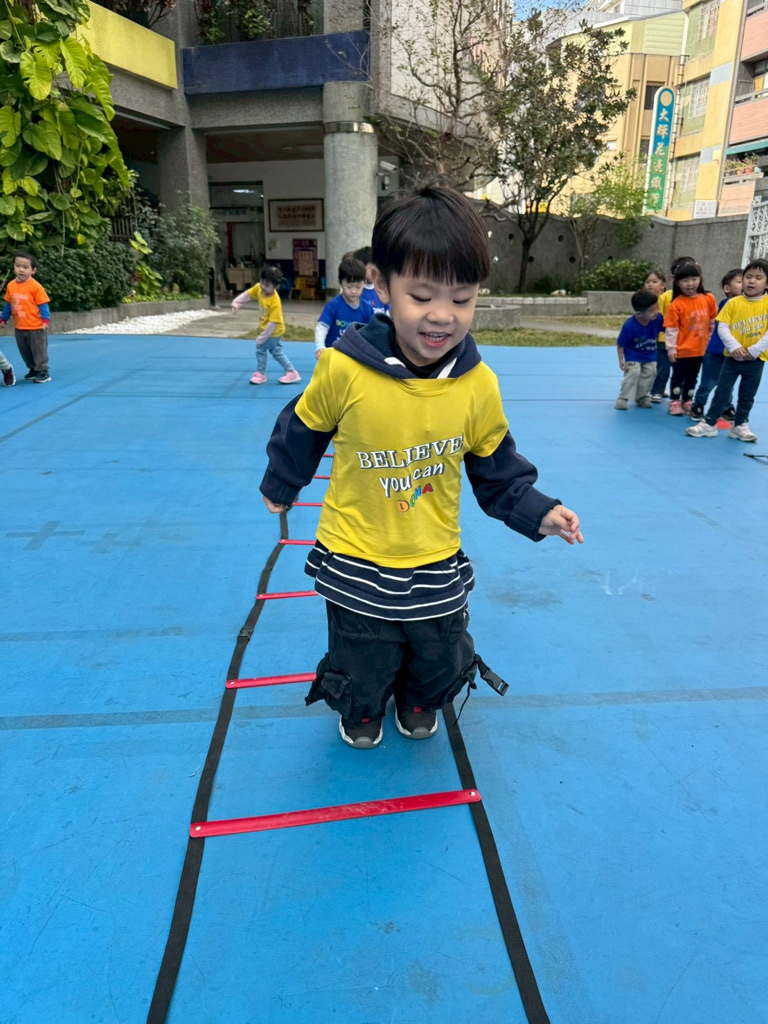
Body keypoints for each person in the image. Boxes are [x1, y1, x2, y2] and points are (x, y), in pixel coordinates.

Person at [260, 184, 583, 749]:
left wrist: (538, 510)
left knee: (438, 649)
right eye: (422, 296)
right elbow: (303, 425)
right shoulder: (344, 368)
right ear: (382, 285)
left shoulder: (476, 385)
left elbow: (497, 465)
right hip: (356, 550)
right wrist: (282, 482)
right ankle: (362, 708)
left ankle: (417, 700)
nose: (441, 315)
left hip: (432, 553)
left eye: (461, 299)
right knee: (361, 650)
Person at [686, 259, 768, 443]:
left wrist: (754, 350)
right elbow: (722, 327)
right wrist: (735, 347)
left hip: (755, 360)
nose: (751, 281)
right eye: (748, 277)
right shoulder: (733, 303)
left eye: (758, 278)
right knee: (722, 391)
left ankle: (740, 425)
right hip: (732, 359)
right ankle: (709, 424)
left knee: (747, 395)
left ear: (767, 283)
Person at [232, 265, 300, 385]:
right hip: (272, 330)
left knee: (261, 349)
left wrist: (262, 338)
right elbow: (248, 294)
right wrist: (237, 302)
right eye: (262, 282)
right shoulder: (259, 289)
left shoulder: (275, 302)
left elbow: (272, 323)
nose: (263, 286)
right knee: (276, 352)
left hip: (274, 331)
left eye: (267, 285)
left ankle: (261, 373)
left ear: (276, 287)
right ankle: (291, 372)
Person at [663, 262, 717, 415]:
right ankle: (675, 401)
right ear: (677, 283)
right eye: (685, 280)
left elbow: (712, 322)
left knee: (693, 376)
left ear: (700, 279)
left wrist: (712, 341)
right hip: (681, 350)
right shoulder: (676, 305)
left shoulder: (708, 298)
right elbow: (671, 330)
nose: (690, 283)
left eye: (694, 279)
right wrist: (671, 349)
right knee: (678, 376)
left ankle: (687, 399)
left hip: (700, 350)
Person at [689, 268, 742, 422]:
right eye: (740, 281)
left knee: (727, 383)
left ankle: (726, 407)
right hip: (716, 353)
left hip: (731, 353)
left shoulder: (746, 306)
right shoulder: (728, 304)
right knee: (708, 382)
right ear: (727, 288)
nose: (745, 284)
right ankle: (698, 405)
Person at [0, 252, 51, 383]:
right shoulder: (11, 285)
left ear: (33, 270)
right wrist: (3, 318)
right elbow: (8, 304)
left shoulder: (36, 287)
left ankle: (43, 371)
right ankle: (33, 369)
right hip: (20, 327)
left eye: (25, 267)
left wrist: (45, 320)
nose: (21, 270)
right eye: (17, 266)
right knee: (25, 351)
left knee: (38, 350)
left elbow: (43, 305)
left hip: (35, 327)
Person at [650, 257, 695, 402]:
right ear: (673, 278)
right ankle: (657, 391)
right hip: (665, 341)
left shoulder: (697, 298)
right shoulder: (665, 297)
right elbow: (658, 318)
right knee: (663, 369)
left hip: (686, 342)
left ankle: (679, 394)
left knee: (682, 371)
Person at [314, 256, 374, 360]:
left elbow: (372, 332)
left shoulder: (367, 308)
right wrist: (320, 346)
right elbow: (322, 327)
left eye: (358, 287)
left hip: (356, 357)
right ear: (340, 284)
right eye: (349, 286)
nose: (353, 291)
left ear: (364, 283)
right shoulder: (333, 306)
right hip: (333, 356)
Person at [614, 289, 662, 410]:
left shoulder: (658, 319)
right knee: (633, 372)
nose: (656, 312)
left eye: (657, 308)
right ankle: (623, 397)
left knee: (650, 373)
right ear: (639, 314)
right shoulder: (629, 326)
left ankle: (642, 397)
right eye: (651, 311)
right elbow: (620, 344)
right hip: (633, 355)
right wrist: (621, 360)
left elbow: (668, 328)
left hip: (650, 355)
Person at [353, 245, 390, 313]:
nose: (375, 271)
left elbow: (388, 311)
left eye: (377, 267)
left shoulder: (382, 289)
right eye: (370, 268)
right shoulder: (356, 292)